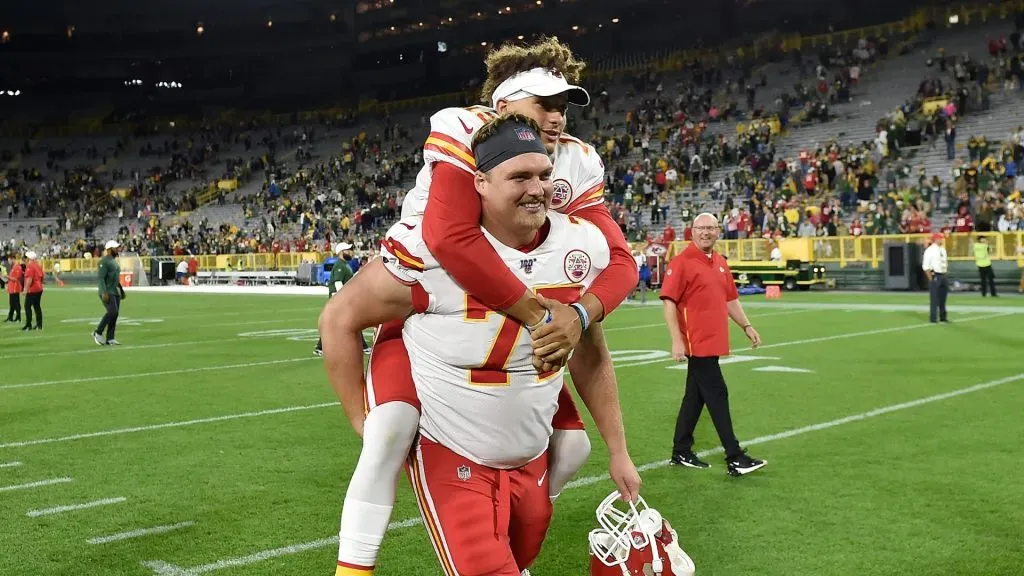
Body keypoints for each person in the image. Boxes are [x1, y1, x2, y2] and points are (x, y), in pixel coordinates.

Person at [325, 38, 639, 575]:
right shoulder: (464, 131)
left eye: (563, 105)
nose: (557, 117)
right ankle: (354, 565)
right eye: (544, 104)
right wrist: (540, 315)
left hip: (510, 314)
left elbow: (620, 262)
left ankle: (515, 517)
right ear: (502, 106)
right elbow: (449, 238)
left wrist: (580, 313)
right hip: (433, 285)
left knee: (572, 447)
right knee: (389, 428)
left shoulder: (577, 164)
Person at [660, 213, 767, 476]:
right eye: (701, 228)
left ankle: (681, 450)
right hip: (696, 341)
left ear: (718, 231)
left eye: (710, 228)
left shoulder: (720, 262)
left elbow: (730, 299)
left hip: (714, 340)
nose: (706, 232)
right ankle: (735, 456)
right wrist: (677, 341)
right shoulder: (681, 262)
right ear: (692, 231)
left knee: (695, 397)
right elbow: (669, 303)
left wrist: (747, 326)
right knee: (717, 393)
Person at [314, 242, 365, 357]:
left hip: (341, 298)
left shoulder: (345, 265)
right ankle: (363, 346)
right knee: (353, 320)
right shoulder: (340, 265)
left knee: (339, 322)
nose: (351, 252)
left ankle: (320, 347)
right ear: (341, 252)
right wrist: (343, 298)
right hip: (338, 298)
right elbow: (338, 282)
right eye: (348, 250)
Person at [94, 240, 126, 345]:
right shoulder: (104, 262)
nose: (117, 250)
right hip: (107, 291)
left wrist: (121, 290)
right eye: (115, 248)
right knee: (113, 312)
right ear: (109, 249)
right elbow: (101, 278)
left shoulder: (114, 261)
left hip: (114, 291)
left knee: (114, 315)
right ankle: (98, 332)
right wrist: (104, 292)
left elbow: (115, 278)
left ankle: (110, 338)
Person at [922, 232, 949, 322]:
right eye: (940, 238)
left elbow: (944, 262)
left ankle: (943, 317)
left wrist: (945, 274)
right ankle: (933, 318)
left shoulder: (943, 249)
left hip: (943, 274)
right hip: (935, 274)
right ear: (935, 239)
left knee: (943, 298)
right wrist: (931, 279)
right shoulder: (930, 250)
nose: (941, 240)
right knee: (934, 298)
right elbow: (925, 266)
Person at [22, 251, 44, 331]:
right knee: (37, 306)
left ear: (28, 258)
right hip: (39, 289)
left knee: (27, 306)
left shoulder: (30, 266)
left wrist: (25, 289)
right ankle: (39, 325)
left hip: (32, 289)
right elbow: (42, 277)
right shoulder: (38, 265)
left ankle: (28, 325)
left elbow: (29, 279)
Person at [4, 255, 21, 324]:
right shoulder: (13, 267)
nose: (9, 262)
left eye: (9, 260)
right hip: (12, 288)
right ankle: (10, 317)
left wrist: (7, 276)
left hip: (15, 288)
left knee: (16, 303)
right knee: (12, 303)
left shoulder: (17, 267)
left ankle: (18, 318)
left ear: (13, 259)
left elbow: (16, 279)